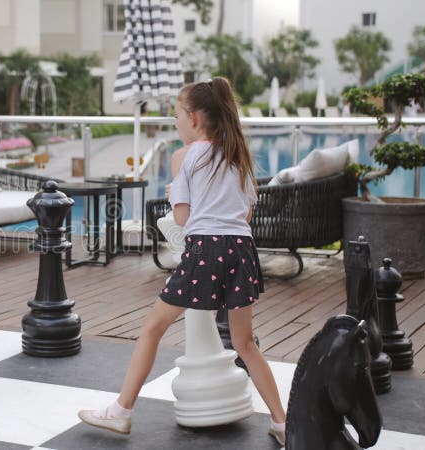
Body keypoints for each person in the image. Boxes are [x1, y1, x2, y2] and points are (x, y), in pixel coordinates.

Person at [77, 77, 287, 446]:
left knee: (152, 328)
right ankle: (283, 422)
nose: (175, 123)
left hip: (205, 251)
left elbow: (183, 220)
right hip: (241, 250)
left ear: (193, 117)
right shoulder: (240, 156)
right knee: (244, 343)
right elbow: (246, 215)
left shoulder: (184, 156)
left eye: (176, 115)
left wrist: (177, 195)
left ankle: (122, 411)